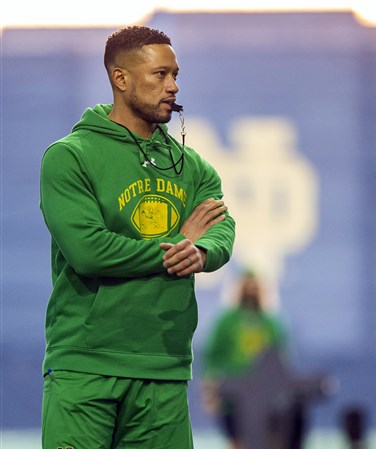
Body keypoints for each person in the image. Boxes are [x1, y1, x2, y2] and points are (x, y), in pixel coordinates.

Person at [39, 25, 235, 449]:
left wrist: (201, 250)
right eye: (160, 74)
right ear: (121, 79)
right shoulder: (70, 157)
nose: (173, 86)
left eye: (175, 75)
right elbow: (88, 251)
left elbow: (220, 225)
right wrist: (175, 248)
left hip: (164, 368)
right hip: (86, 367)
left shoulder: (192, 166)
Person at [199, 271, 295, 449]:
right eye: (247, 286)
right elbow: (212, 356)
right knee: (238, 442)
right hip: (233, 395)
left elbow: (281, 360)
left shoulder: (272, 323)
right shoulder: (226, 322)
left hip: (265, 396)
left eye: (255, 287)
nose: (251, 291)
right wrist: (210, 389)